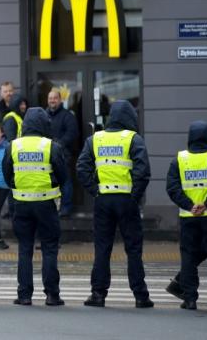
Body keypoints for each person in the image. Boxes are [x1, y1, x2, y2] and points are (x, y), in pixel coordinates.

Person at [77, 99, 153, 308]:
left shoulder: (95, 139)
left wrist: (95, 191)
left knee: (102, 248)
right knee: (134, 249)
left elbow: (82, 168)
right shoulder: (133, 139)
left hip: (103, 199)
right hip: (126, 200)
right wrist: (134, 196)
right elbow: (143, 171)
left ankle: (98, 294)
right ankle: (140, 296)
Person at [3, 107, 67, 306]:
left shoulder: (13, 146)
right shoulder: (51, 146)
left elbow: (7, 174)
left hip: (21, 203)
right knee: (49, 248)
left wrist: (17, 186)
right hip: (46, 204)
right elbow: (63, 175)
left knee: (24, 249)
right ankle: (52, 295)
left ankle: (24, 295)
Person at [165, 120, 207, 310]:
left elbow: (172, 188)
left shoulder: (180, 159)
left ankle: (190, 299)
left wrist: (190, 206)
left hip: (189, 217)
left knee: (188, 257)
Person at [47, 90, 79, 217]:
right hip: (46, 154)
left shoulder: (67, 116)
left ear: (60, 100)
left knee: (65, 182)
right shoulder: (44, 115)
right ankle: (52, 207)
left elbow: (72, 133)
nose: (52, 100)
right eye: (50, 98)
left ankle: (66, 208)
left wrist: (59, 144)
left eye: (55, 98)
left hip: (63, 155)